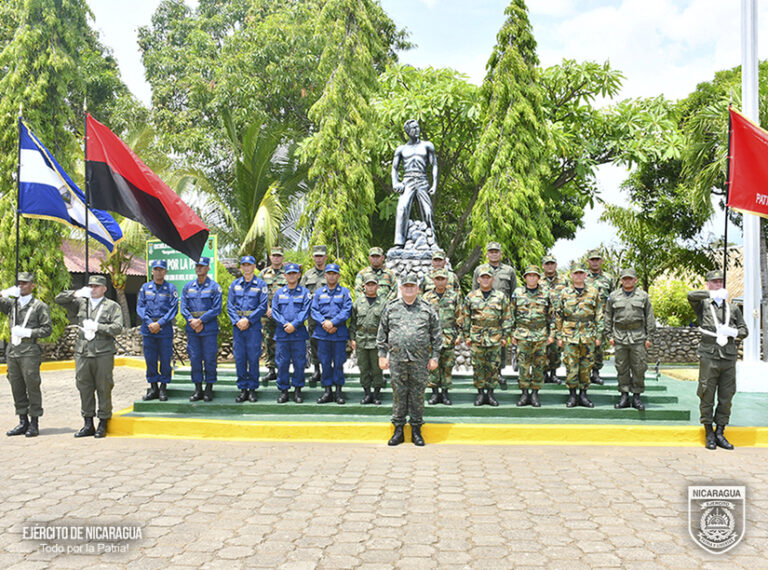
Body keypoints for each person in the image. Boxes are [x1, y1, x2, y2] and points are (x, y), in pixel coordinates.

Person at [377, 273, 441, 446]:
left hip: (420, 361)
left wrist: (435, 357)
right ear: (401, 288)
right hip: (397, 360)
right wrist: (382, 356)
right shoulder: (391, 308)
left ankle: (416, 431)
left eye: (412, 286)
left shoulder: (427, 309)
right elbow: (382, 334)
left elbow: (436, 336)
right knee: (399, 394)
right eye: (406, 286)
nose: (409, 289)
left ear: (418, 289)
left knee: (417, 395)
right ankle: (398, 430)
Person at [687, 270, 748, 450]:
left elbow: (745, 330)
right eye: (714, 282)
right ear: (708, 284)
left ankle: (720, 431)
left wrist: (734, 332)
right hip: (709, 355)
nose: (718, 284)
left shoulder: (733, 309)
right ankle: (709, 432)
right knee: (706, 392)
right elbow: (691, 296)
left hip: (728, 357)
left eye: (720, 282)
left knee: (726, 395)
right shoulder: (704, 305)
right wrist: (712, 294)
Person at [55, 275, 122, 438]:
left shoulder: (112, 306)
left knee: (104, 385)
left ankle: (103, 422)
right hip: (83, 351)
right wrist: (76, 293)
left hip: (103, 352)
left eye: (96, 286)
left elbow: (118, 327)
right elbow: (58, 299)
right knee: (83, 385)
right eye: (91, 286)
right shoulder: (81, 303)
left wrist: (97, 326)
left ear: (104, 289)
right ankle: (87, 423)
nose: (93, 289)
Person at [0, 272, 52, 437]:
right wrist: (4, 292)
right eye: (19, 283)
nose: (21, 285)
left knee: (32, 384)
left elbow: (46, 329)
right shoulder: (12, 304)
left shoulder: (39, 306)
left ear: (32, 286)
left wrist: (27, 332)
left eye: (25, 283)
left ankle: (34, 422)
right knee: (16, 385)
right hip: (13, 350)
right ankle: (23, 421)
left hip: (29, 350)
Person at [605, 268, 656, 411]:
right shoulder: (613, 296)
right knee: (621, 367)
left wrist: (649, 337)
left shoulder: (643, 296)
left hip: (638, 335)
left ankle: (637, 397)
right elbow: (608, 316)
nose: (627, 281)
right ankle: (624, 396)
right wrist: (609, 335)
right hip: (619, 335)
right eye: (625, 278)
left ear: (635, 280)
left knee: (639, 367)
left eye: (630, 278)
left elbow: (650, 317)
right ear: (621, 280)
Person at [555, 263, 604, 408]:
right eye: (575, 273)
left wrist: (599, 335)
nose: (578, 276)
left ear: (585, 275)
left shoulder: (594, 292)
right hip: (569, 335)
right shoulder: (564, 293)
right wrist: (558, 336)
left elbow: (599, 315)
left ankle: (583, 395)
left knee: (586, 366)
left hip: (588, 334)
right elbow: (558, 315)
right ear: (571, 275)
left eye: (581, 273)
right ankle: (571, 396)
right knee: (571, 366)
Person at [463, 264, 512, 406]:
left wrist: (505, 336)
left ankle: (490, 394)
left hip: (495, 337)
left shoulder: (501, 297)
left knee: (492, 367)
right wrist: (466, 336)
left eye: (488, 278)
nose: (485, 280)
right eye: (483, 277)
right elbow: (465, 318)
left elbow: (507, 318)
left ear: (492, 279)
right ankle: (480, 394)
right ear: (478, 280)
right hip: (477, 338)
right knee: (478, 367)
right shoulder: (471, 297)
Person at [472, 242, 517, 386]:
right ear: (486, 254)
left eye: (496, 251)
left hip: (501, 313)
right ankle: (483, 376)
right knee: (481, 348)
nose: (493, 254)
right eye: (491, 252)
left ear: (501, 253)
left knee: (500, 346)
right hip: (482, 312)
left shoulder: (509, 271)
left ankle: (499, 373)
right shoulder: (480, 270)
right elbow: (474, 291)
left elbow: (513, 292)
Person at [510, 265, 554, 408]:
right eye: (529, 275)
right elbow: (511, 315)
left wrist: (551, 334)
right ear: (525, 278)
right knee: (523, 365)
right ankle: (524, 394)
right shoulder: (518, 293)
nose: (532, 278)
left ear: (539, 278)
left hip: (540, 335)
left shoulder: (546, 294)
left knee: (538, 366)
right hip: (522, 334)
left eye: (534, 275)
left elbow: (552, 316)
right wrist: (512, 333)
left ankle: (535, 394)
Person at [180, 257, 222, 402]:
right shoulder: (188, 287)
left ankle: (209, 388)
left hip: (208, 329)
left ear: (208, 268)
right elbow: (183, 307)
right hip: (193, 330)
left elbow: (216, 308)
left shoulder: (214, 287)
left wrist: (201, 321)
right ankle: (198, 389)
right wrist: (192, 321)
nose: (199, 268)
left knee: (210, 359)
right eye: (197, 266)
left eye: (202, 266)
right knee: (195, 359)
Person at [227, 256, 268, 403]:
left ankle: (252, 390)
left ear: (254, 266)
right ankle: (242, 389)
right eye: (244, 265)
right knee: (240, 359)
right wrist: (237, 321)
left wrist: (248, 320)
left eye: (249, 265)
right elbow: (230, 306)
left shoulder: (261, 285)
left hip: (253, 327)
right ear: (241, 267)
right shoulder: (235, 285)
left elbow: (262, 306)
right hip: (238, 328)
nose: (246, 268)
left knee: (253, 358)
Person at [391, 119, 438, 247]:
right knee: (402, 208)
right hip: (407, 180)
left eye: (417, 127)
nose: (417, 130)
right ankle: (399, 242)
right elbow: (394, 168)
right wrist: (395, 183)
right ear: (407, 131)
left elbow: (434, 165)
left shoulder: (427, 145)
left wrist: (434, 184)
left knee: (428, 211)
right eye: (413, 128)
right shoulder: (401, 149)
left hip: (422, 179)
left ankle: (431, 239)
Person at [137, 259, 178, 402]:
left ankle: (163, 388)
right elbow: (140, 308)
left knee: (165, 360)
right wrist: (150, 323)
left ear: (165, 272)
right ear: (152, 271)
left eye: (162, 270)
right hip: (148, 330)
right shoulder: (145, 288)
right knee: (150, 359)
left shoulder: (171, 289)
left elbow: (173, 309)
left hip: (164, 329)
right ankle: (153, 387)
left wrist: (159, 323)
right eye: (156, 269)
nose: (158, 272)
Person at [311, 263, 352, 404]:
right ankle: (327, 391)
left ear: (338, 276)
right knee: (325, 362)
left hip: (338, 333)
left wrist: (333, 322)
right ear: (325, 275)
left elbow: (347, 310)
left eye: (334, 273)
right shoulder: (319, 293)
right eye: (329, 273)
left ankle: (339, 392)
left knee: (339, 363)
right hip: (323, 334)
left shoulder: (345, 292)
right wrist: (324, 323)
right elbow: (314, 311)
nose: (332, 276)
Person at [272, 263, 312, 403]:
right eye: (289, 273)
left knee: (299, 363)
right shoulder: (279, 293)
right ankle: (284, 391)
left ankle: (298, 390)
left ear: (299, 275)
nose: (292, 276)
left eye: (294, 273)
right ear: (285, 276)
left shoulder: (305, 293)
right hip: (282, 334)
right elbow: (275, 312)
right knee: (282, 363)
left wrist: (294, 325)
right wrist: (285, 324)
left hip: (298, 334)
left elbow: (305, 311)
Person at [422, 269, 462, 406]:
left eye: (443, 279)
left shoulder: (454, 296)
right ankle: (434, 393)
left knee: (447, 366)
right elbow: (422, 319)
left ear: (447, 280)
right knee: (433, 366)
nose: (440, 281)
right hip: (431, 338)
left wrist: (460, 335)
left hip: (449, 336)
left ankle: (445, 394)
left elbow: (459, 317)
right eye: (437, 279)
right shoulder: (426, 297)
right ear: (433, 280)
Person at [350, 273, 387, 405]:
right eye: (368, 285)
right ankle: (367, 394)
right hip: (361, 340)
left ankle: (376, 394)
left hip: (377, 340)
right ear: (364, 286)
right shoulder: (358, 303)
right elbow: (353, 322)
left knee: (377, 369)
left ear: (377, 286)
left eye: (373, 284)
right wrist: (352, 338)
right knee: (364, 368)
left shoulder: (383, 303)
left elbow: (387, 324)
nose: (370, 287)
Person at [299, 244, 328, 386]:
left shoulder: (331, 273)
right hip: (312, 317)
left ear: (326, 257)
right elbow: (302, 294)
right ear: (313, 257)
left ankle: (328, 370)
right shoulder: (308, 275)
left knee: (328, 343)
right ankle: (317, 370)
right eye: (316, 256)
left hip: (328, 316)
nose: (319, 258)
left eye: (321, 255)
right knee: (314, 342)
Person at [585, 249, 614, 385]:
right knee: (584, 347)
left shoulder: (609, 278)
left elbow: (614, 298)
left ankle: (596, 373)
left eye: (597, 260)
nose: (595, 262)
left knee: (599, 347)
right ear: (588, 261)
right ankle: (584, 373)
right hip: (585, 318)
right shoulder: (582, 277)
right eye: (592, 260)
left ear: (601, 261)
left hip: (602, 318)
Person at [260, 246, 287, 385]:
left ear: (282, 257)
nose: (276, 258)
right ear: (270, 257)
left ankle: (283, 369)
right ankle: (271, 369)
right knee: (268, 340)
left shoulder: (288, 273)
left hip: (283, 314)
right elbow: (259, 294)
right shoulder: (263, 274)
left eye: (279, 256)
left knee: (283, 341)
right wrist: (267, 308)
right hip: (268, 314)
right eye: (274, 255)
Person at [540, 254, 566, 384]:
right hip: (542, 320)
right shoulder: (538, 281)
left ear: (556, 265)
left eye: (552, 264)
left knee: (556, 348)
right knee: (543, 348)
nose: (549, 266)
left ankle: (554, 373)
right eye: (547, 264)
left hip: (558, 319)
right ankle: (544, 373)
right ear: (543, 266)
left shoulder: (563, 281)